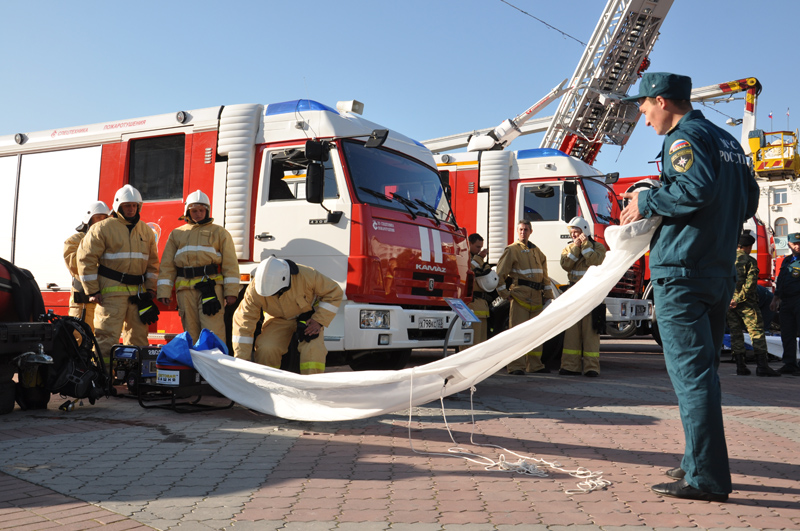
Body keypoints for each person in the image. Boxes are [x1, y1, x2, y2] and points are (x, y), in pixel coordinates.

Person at [619, 72, 760, 503]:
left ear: (662, 101)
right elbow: (749, 201)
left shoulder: (683, 138)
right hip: (716, 272)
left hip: (682, 272)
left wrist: (647, 199)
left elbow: (694, 190)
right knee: (703, 376)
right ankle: (695, 462)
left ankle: (706, 480)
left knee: (691, 377)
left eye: (643, 108)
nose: (644, 119)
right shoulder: (729, 142)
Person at [78, 185, 160, 361]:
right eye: (127, 205)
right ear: (118, 207)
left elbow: (153, 263)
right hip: (110, 294)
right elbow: (86, 259)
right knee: (106, 338)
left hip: (138, 295)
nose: (131, 209)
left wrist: (150, 289)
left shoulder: (146, 231)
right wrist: (92, 291)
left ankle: (133, 377)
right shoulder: (102, 228)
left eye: (134, 206)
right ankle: (103, 378)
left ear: (139, 206)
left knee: (138, 339)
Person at [232, 257, 342, 375]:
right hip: (276, 319)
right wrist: (241, 363)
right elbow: (243, 322)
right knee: (266, 349)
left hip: (308, 319)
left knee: (312, 351)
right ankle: (267, 383)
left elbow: (334, 292)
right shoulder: (255, 289)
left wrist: (318, 320)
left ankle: (313, 386)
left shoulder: (307, 275)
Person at [157, 190, 239, 343]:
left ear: (207, 210)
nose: (198, 214)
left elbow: (230, 264)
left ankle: (214, 365)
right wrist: (164, 291)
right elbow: (167, 265)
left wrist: (231, 292)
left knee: (212, 332)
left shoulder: (220, 232)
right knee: (191, 333)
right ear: (187, 211)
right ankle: (194, 366)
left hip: (210, 289)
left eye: (202, 210)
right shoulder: (176, 234)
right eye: (194, 210)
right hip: (185, 292)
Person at [496, 220, 554, 374]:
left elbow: (545, 277)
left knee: (536, 334)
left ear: (531, 231)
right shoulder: (512, 250)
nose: (523, 232)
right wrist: (505, 294)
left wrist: (548, 296)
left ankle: (535, 365)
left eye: (526, 229)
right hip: (519, 297)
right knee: (517, 333)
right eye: (520, 229)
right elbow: (499, 275)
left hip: (536, 297)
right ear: (517, 231)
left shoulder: (538, 252)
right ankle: (516, 366)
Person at [727, 232, 780, 377]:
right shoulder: (749, 261)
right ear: (748, 246)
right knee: (756, 333)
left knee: (736, 334)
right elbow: (750, 285)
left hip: (730, 305)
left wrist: (730, 300)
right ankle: (762, 367)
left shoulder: (726, 260)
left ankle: (740, 366)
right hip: (747, 305)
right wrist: (738, 299)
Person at [559, 216, 606, 377]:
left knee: (590, 332)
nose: (573, 235)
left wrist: (585, 246)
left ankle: (591, 367)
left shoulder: (598, 247)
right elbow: (566, 265)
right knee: (572, 331)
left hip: (591, 294)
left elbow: (596, 262)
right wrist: (576, 247)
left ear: (584, 231)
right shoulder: (569, 248)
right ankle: (570, 366)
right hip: (574, 293)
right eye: (572, 232)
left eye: (576, 232)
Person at [63, 201, 110, 332]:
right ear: (88, 219)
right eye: (98, 217)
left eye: (104, 218)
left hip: (104, 299)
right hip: (83, 303)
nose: (101, 221)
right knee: (79, 338)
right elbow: (75, 265)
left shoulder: (110, 240)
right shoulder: (75, 240)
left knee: (102, 339)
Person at [769, 232, 800, 376]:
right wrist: (775, 298)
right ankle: (789, 364)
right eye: (794, 244)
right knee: (787, 334)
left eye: (799, 244)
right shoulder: (787, 261)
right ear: (789, 244)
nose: (797, 246)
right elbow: (781, 281)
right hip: (786, 302)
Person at [467, 233, 494, 344]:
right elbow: (468, 270)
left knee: (481, 343)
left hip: (482, 307)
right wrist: (480, 258)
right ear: (469, 244)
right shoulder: (465, 257)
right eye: (477, 247)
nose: (479, 250)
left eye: (481, 247)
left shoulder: (478, 259)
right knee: (471, 343)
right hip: (471, 306)